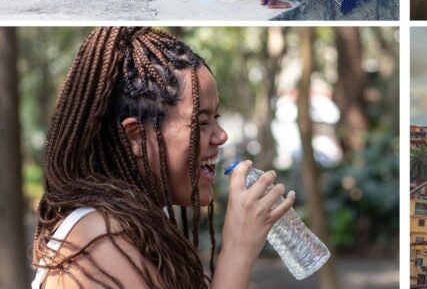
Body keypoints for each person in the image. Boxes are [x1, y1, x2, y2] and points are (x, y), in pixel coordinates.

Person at [32, 27, 295, 288]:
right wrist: (238, 251)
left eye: (216, 118)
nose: (221, 136)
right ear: (136, 136)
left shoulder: (140, 227)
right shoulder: (99, 240)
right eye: (201, 122)